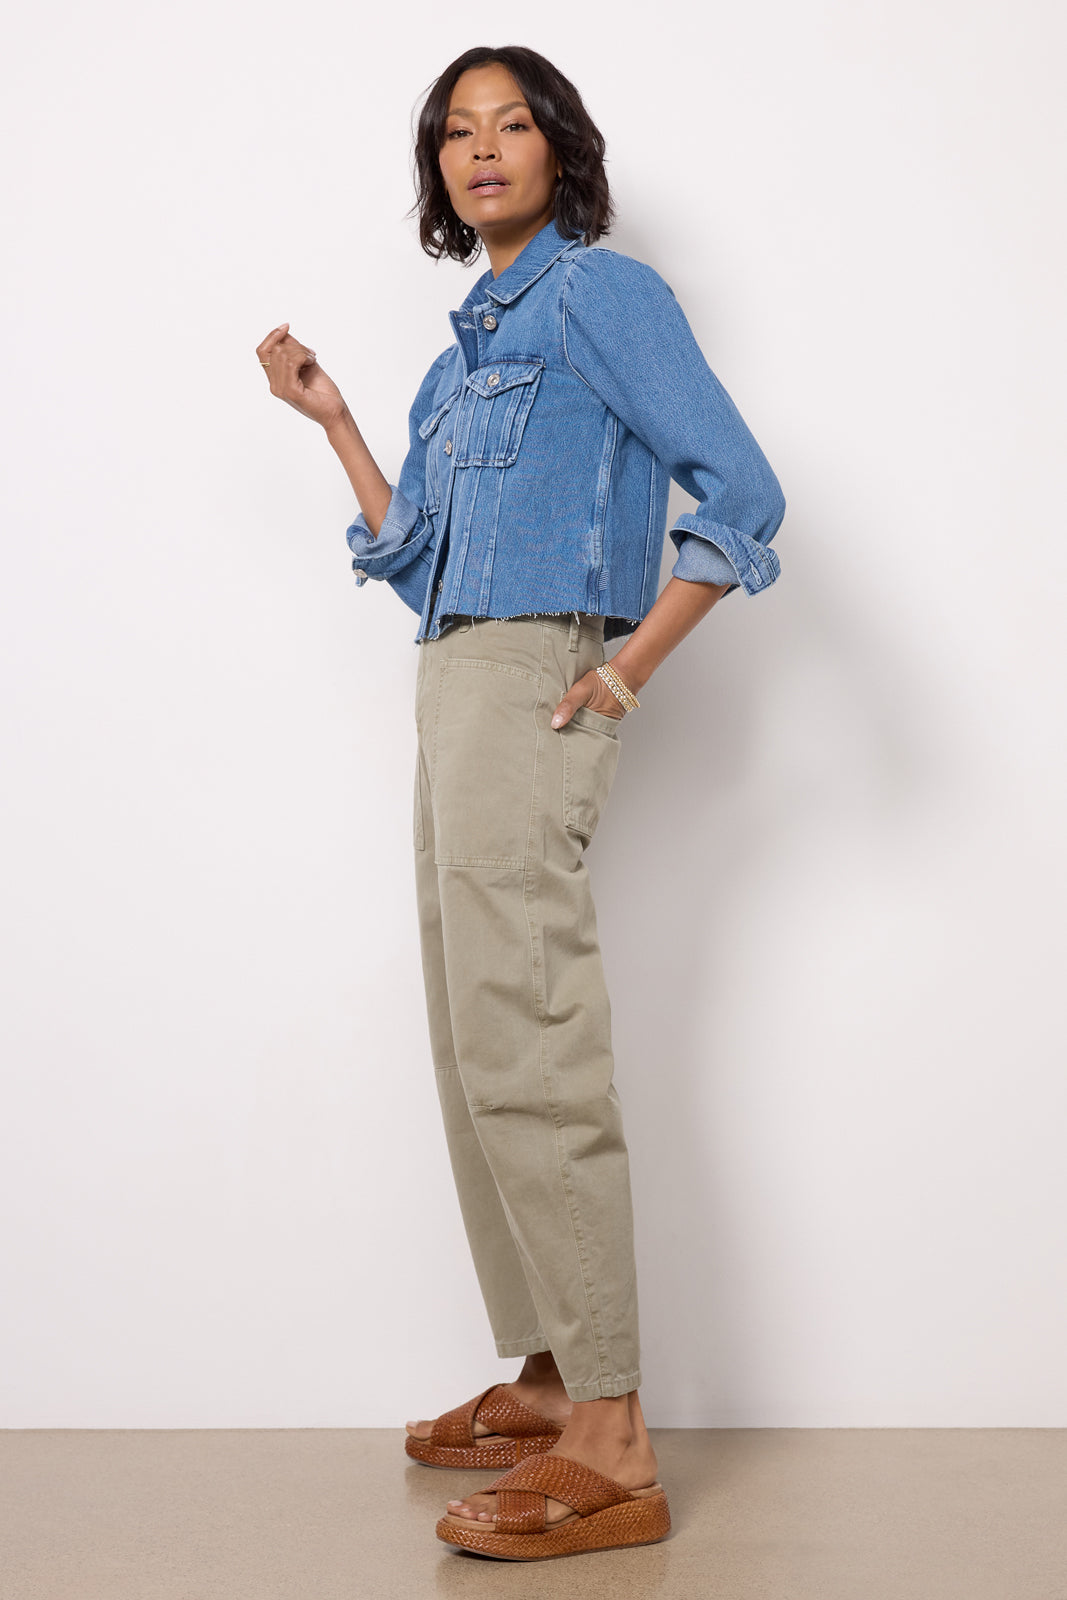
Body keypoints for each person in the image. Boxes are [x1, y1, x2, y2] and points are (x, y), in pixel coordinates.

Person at [256, 43, 785, 1562]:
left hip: (540, 677)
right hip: (453, 681)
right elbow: (420, 562)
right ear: (438, 169)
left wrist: (622, 671)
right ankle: (553, 1378)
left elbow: (743, 494)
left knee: (533, 1035)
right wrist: (340, 422)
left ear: (560, 149)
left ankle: (614, 1442)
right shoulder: (458, 357)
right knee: (473, 1036)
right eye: (455, 132)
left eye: (510, 124)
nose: (481, 148)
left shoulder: (602, 296)